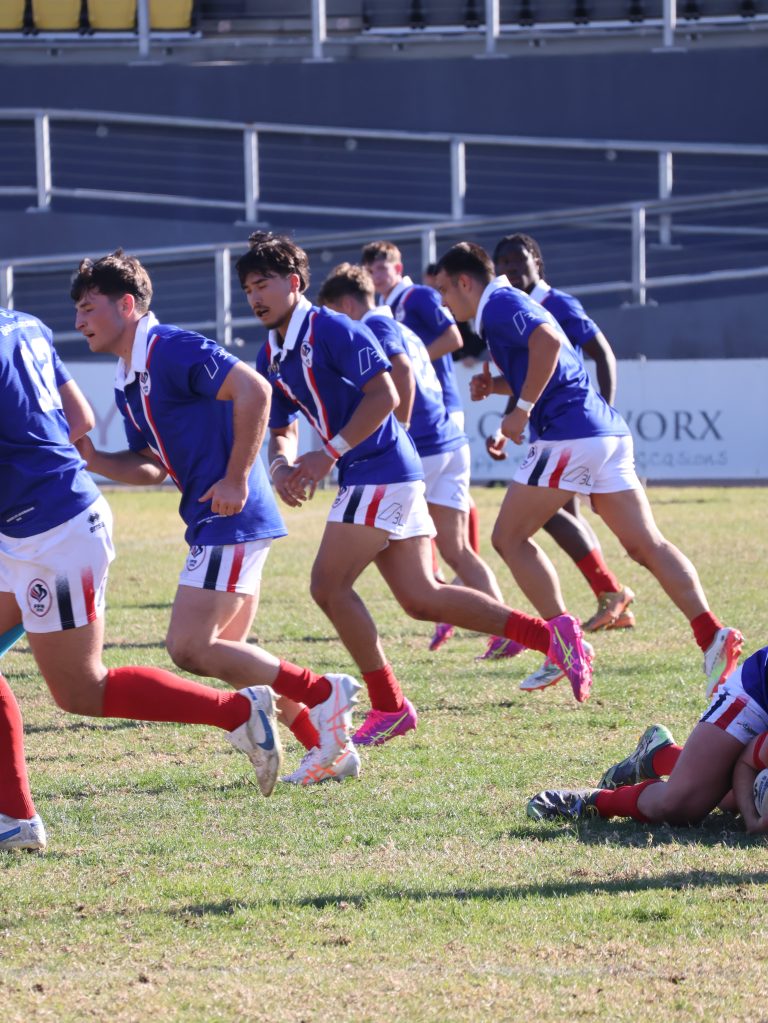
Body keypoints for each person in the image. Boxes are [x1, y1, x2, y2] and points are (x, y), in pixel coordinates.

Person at [236, 231, 593, 734]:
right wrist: (280, 467)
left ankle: (389, 703)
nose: (254, 297)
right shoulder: (271, 353)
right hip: (376, 472)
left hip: (382, 468)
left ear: (293, 283)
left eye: (263, 284)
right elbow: (281, 427)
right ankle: (551, 636)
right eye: (247, 288)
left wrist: (326, 456)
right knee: (421, 596)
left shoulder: (333, 329)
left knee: (327, 585)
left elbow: (384, 393)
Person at [0, 304, 293, 853]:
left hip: (51, 535)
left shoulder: (167, 349)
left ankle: (237, 711)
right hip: (32, 522)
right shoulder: (25, 324)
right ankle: (15, 819)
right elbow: (80, 420)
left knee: (81, 690)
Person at [71, 250, 360, 787]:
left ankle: (325, 693)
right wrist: (91, 458)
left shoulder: (170, 348)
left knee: (189, 646)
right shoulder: (127, 376)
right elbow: (152, 467)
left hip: (232, 513)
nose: (78, 321)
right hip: (219, 519)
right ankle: (328, 747)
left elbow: (256, 389)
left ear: (127, 305)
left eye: (89, 308)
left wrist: (234, 477)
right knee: (231, 660)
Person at [433, 241, 742, 700]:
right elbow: (552, 362)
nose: (442, 302)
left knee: (509, 538)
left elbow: (549, 342)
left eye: (444, 290)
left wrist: (520, 408)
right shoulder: (500, 307)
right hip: (605, 434)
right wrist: (499, 387)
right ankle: (712, 633)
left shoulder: (498, 303)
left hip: (569, 435)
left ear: (464, 281)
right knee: (646, 545)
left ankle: (564, 641)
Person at [316, 262, 512, 661]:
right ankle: (503, 625)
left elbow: (402, 372)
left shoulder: (376, 326)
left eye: (333, 311)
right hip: (446, 441)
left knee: (391, 565)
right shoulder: (398, 325)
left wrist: (400, 427)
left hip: (423, 447)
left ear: (348, 305)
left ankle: (454, 610)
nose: (333, 323)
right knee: (455, 550)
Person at [361, 241, 505, 657]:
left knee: (408, 536)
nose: (376, 271)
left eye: (382, 264)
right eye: (369, 265)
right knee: (448, 542)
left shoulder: (413, 298)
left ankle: (450, 607)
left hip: (434, 418)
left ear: (397, 267)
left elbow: (453, 337)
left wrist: (413, 357)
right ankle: (489, 620)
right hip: (436, 427)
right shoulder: (391, 308)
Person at [491, 234, 635, 637]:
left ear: (537, 261)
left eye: (519, 259)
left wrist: (603, 410)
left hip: (573, 432)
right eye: (502, 261)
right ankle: (611, 597)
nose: (510, 267)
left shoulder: (557, 303)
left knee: (550, 517)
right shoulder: (512, 306)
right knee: (561, 516)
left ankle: (610, 592)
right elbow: (528, 376)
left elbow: (601, 352)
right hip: (550, 433)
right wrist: (505, 424)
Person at [526, 645, 768, 830]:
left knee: (728, 797)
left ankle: (660, 754)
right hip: (756, 695)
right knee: (679, 806)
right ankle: (594, 800)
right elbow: (747, 761)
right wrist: (752, 821)